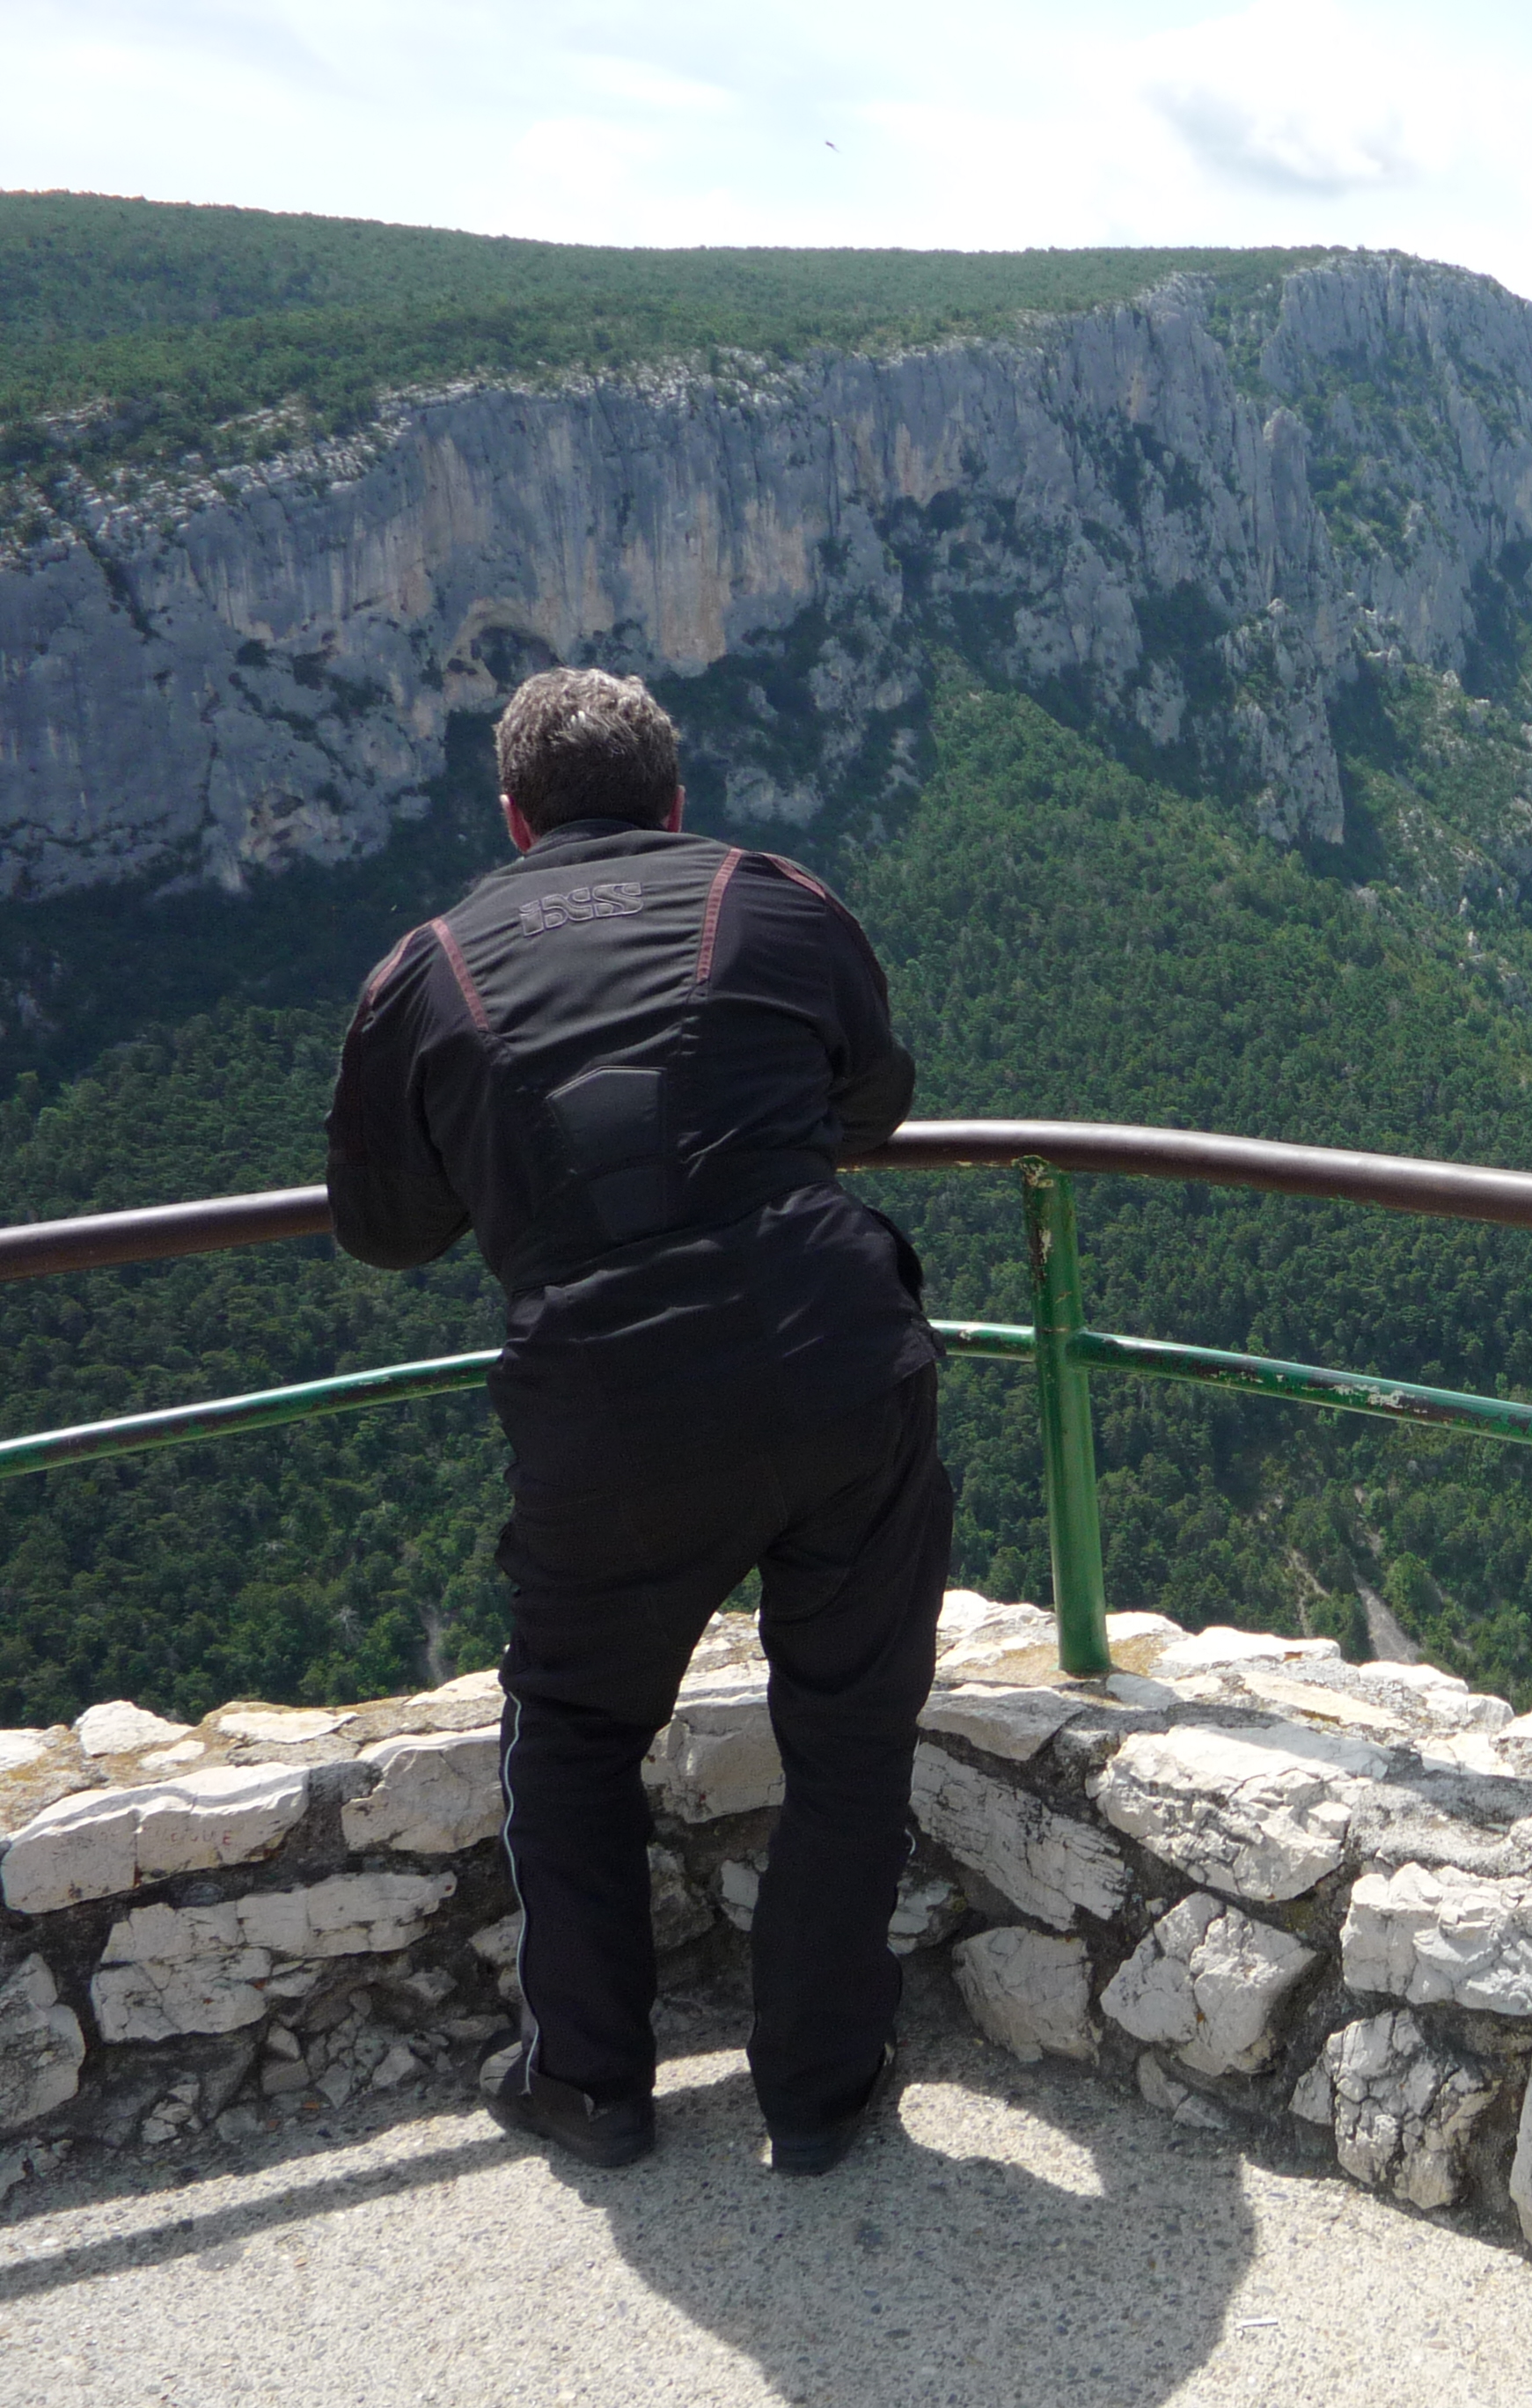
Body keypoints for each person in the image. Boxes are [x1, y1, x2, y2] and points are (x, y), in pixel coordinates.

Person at [326, 666, 948, 2175]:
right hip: (836, 1357)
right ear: (676, 802)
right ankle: (819, 2091)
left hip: (611, 1404)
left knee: (579, 1726)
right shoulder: (776, 899)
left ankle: (592, 2083)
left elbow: (382, 1227)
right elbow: (870, 1106)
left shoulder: (427, 971)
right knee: (851, 1735)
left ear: (513, 816)